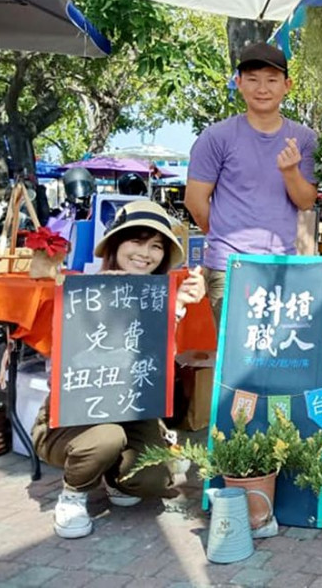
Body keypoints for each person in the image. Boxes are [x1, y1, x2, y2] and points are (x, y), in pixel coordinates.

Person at [33, 200, 206, 539]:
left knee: (154, 476)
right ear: (115, 244)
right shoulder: (81, 293)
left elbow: (155, 366)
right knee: (106, 438)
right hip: (72, 418)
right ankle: (73, 493)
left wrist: (178, 305)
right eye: (136, 241)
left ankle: (115, 479)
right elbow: (62, 369)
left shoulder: (158, 300)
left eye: (156, 246)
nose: (145, 253)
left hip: (133, 413)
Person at [185, 42, 318, 329]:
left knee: (277, 348)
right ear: (239, 83)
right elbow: (195, 201)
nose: (262, 88)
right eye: (253, 79)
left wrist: (290, 172)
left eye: (271, 80)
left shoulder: (305, 139)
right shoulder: (215, 137)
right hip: (228, 266)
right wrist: (223, 234)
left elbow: (306, 201)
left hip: (282, 264)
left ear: (287, 85)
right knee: (236, 350)